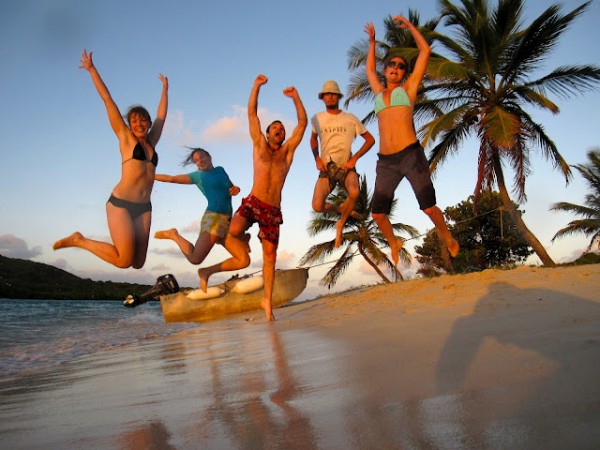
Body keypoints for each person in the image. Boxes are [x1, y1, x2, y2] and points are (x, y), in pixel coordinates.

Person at [198, 74, 307, 321]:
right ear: (267, 133)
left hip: (272, 210)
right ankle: (245, 237)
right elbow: (251, 114)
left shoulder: (287, 153)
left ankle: (266, 301)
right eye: (275, 128)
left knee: (270, 257)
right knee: (234, 230)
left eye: (281, 129)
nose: (279, 130)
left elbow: (302, 123)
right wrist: (256, 86)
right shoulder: (258, 145)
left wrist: (296, 98)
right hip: (253, 202)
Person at [53, 49, 168, 269]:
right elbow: (108, 99)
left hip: (144, 208)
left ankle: (83, 241)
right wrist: (91, 69)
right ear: (130, 125)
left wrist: (165, 89)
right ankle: (80, 240)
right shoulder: (125, 138)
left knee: (138, 263)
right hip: (120, 205)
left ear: (149, 123)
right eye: (135, 121)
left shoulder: (152, 142)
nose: (139, 124)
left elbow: (162, 116)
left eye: (144, 120)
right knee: (123, 261)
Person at [364, 17, 459, 265]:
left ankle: (446, 234)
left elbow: (425, 50)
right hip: (386, 162)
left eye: (401, 66)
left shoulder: (408, 89)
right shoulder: (378, 92)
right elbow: (368, 70)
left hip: (410, 155)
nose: (395, 67)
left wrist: (409, 26)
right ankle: (394, 241)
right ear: (385, 70)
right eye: (391, 65)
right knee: (377, 213)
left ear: (405, 73)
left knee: (428, 207)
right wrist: (372, 42)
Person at [153, 147, 249, 265]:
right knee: (195, 258)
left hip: (228, 220)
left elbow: (231, 188)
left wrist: (236, 189)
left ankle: (206, 273)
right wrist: (149, 175)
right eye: (197, 160)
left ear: (209, 157)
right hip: (214, 218)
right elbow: (171, 178)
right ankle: (174, 235)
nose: (200, 161)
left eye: (202, 157)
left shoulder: (220, 170)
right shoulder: (198, 176)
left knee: (243, 260)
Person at [310, 80, 375, 248]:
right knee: (317, 206)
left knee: (354, 191)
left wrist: (355, 159)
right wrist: (316, 158)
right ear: (323, 98)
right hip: (327, 167)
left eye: (333, 94)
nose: (330, 97)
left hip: (346, 166)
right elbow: (313, 139)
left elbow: (370, 140)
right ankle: (342, 209)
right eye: (327, 94)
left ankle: (340, 223)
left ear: (338, 97)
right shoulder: (317, 118)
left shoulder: (350, 118)